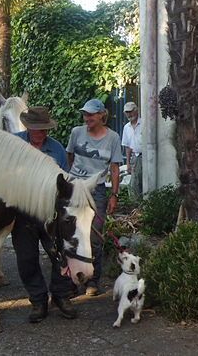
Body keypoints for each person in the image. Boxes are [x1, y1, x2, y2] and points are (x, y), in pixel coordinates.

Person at [11, 106, 77, 323]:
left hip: (51, 211)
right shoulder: (15, 144)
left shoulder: (56, 149)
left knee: (62, 254)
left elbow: (66, 181)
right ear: (28, 127)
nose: (41, 133)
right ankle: (38, 300)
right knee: (27, 258)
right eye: (37, 129)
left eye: (44, 129)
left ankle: (61, 296)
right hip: (24, 211)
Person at [66, 98, 123, 296]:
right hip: (75, 187)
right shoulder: (76, 132)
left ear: (101, 115)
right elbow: (70, 157)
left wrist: (114, 195)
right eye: (85, 114)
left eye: (91, 114)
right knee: (71, 234)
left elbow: (115, 169)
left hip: (97, 190)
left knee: (94, 236)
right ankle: (72, 281)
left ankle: (93, 281)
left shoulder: (113, 138)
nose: (87, 117)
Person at [121, 101, 143, 200]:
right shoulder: (126, 127)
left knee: (143, 182)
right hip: (135, 157)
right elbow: (127, 147)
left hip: (145, 156)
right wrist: (128, 163)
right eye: (127, 112)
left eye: (130, 111)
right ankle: (136, 206)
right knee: (134, 183)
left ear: (136, 111)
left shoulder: (144, 123)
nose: (129, 114)